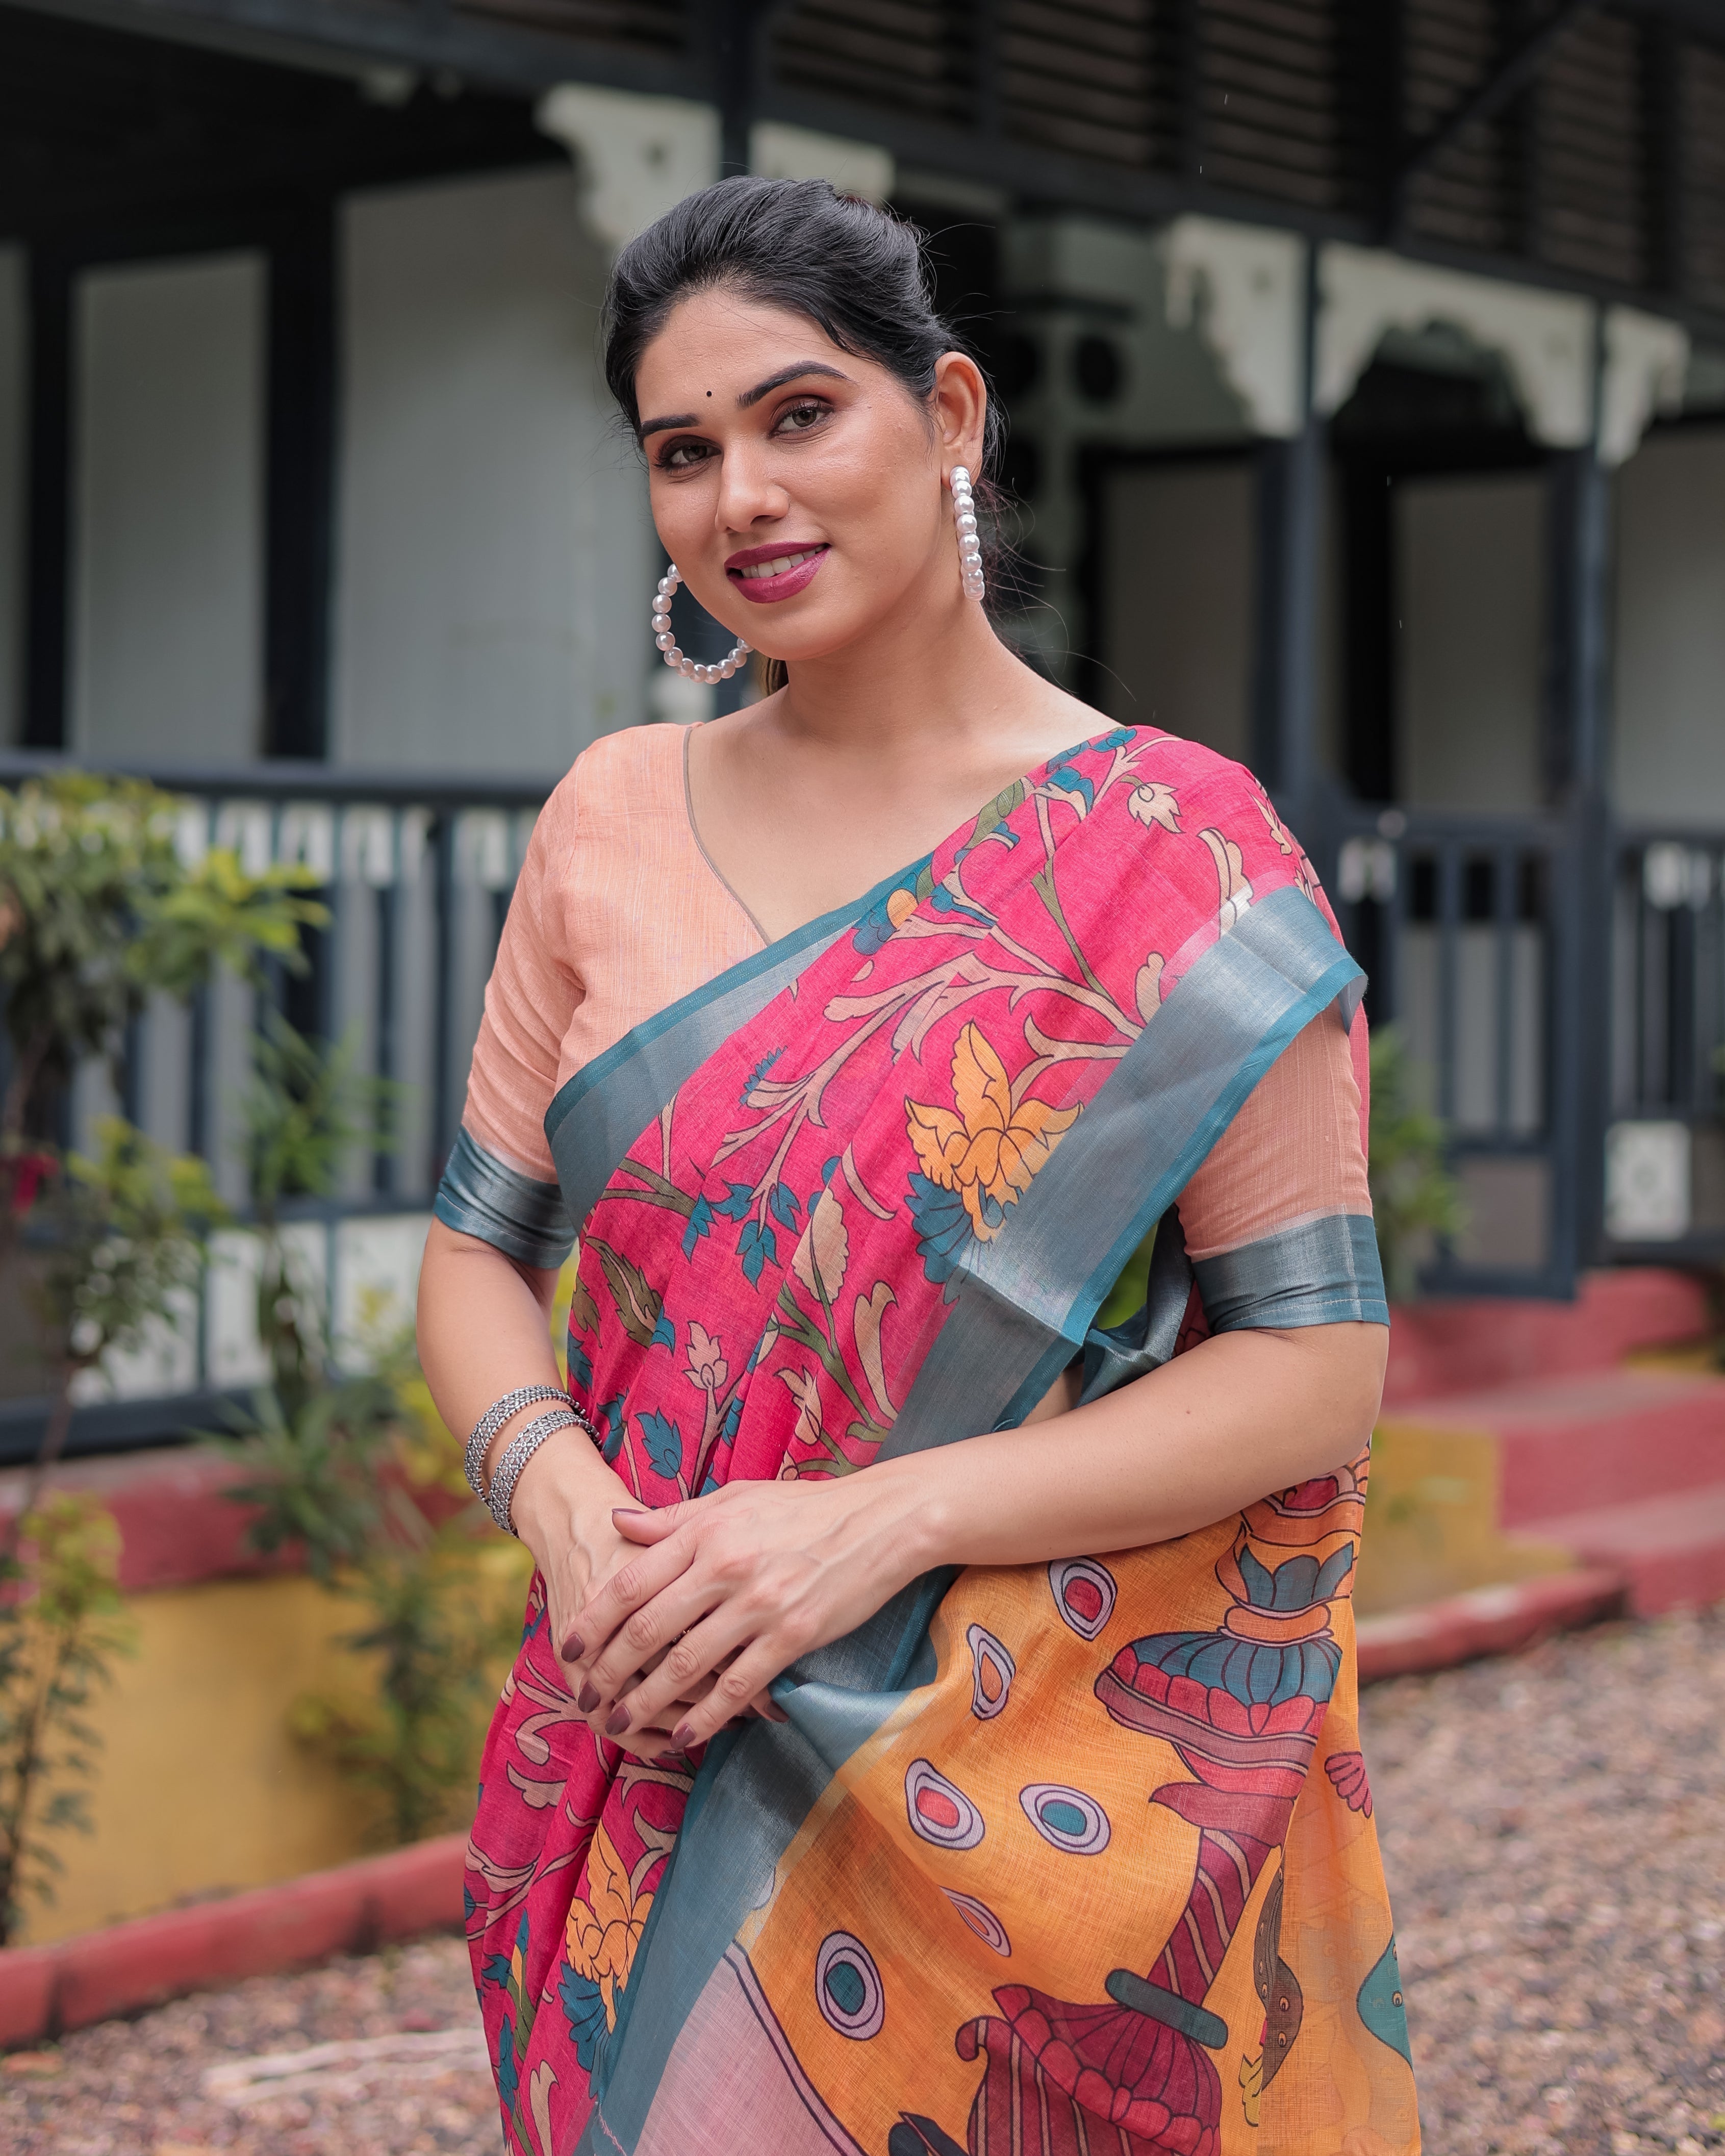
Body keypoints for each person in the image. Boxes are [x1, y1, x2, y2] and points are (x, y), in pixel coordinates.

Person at [417, 176, 1417, 2156]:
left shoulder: (1181, 863)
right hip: (655, 1740)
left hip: (1033, 1826)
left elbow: (1321, 1365)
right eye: (682, 452)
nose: (742, 501)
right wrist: (559, 1505)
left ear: (950, 417)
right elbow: (471, 1251)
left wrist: (865, 1525)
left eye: (802, 416)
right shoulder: (610, 820)